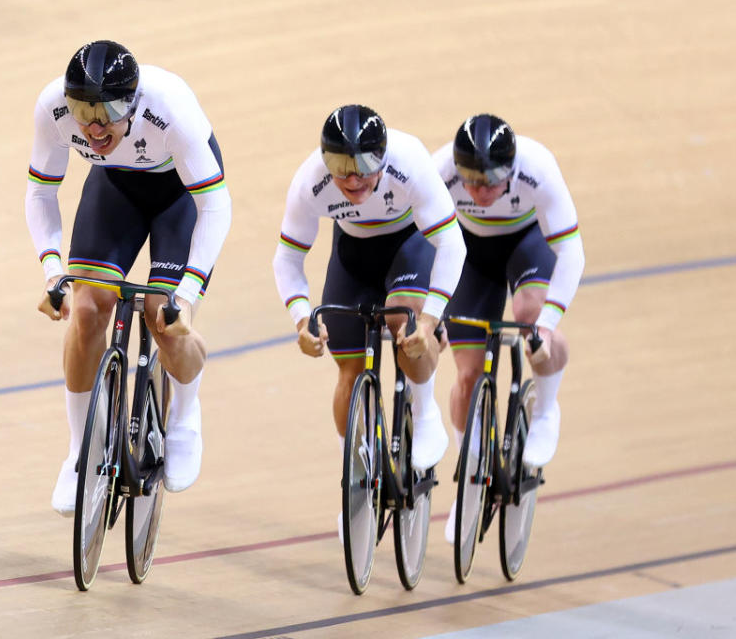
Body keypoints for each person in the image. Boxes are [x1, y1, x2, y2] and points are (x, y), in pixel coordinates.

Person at [25, 40, 231, 515]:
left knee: (166, 318)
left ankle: (185, 416)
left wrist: (189, 289)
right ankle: (80, 452)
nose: (94, 127)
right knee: (86, 308)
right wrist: (53, 269)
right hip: (115, 186)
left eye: (110, 112)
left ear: (135, 102)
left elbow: (215, 204)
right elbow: (40, 192)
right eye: (83, 112)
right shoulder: (52, 108)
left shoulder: (170, 108)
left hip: (180, 192)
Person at [272, 105, 466, 508]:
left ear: (384, 157)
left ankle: (425, 411)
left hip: (407, 245)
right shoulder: (312, 180)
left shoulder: (409, 160)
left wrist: (430, 318)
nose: (353, 177)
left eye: (364, 165)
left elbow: (452, 243)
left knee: (405, 323)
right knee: (348, 368)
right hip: (353, 255)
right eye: (341, 166)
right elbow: (287, 258)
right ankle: (355, 481)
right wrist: (302, 318)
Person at [433, 113, 585, 542]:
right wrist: (434, 312)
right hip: (469, 252)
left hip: (526, 243)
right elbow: (418, 243)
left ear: (512, 168)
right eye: (472, 181)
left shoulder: (538, 168)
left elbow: (572, 253)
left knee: (530, 312)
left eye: (492, 181)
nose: (480, 191)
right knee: (467, 375)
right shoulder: (439, 169)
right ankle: (470, 475)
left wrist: (548, 325)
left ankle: (546, 408)